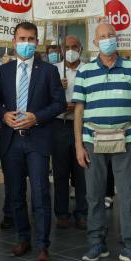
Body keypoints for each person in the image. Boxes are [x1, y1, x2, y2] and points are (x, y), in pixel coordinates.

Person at [73, 21, 131, 261]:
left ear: (117, 39)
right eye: (102, 36)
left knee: (127, 194)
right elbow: (79, 110)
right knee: (94, 195)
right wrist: (78, 144)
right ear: (95, 43)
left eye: (111, 35)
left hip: (126, 140)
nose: (107, 39)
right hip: (92, 141)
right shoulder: (84, 71)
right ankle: (97, 243)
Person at [0, 21, 64, 261]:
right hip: (11, 141)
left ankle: (43, 245)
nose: (26, 43)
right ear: (13, 42)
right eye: (22, 38)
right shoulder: (3, 72)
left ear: (37, 42)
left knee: (41, 193)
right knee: (15, 194)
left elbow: (59, 104)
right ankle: (23, 238)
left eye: (31, 39)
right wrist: (3, 115)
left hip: (38, 140)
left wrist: (38, 117)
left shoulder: (48, 71)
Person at [52, 34, 87, 230]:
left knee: (81, 172)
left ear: (81, 49)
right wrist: (58, 91)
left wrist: (78, 107)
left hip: (81, 125)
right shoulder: (54, 70)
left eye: (75, 46)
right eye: (67, 47)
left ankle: (82, 212)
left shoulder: (88, 70)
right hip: (59, 126)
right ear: (61, 49)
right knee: (60, 172)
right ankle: (62, 213)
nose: (71, 50)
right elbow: (45, 99)